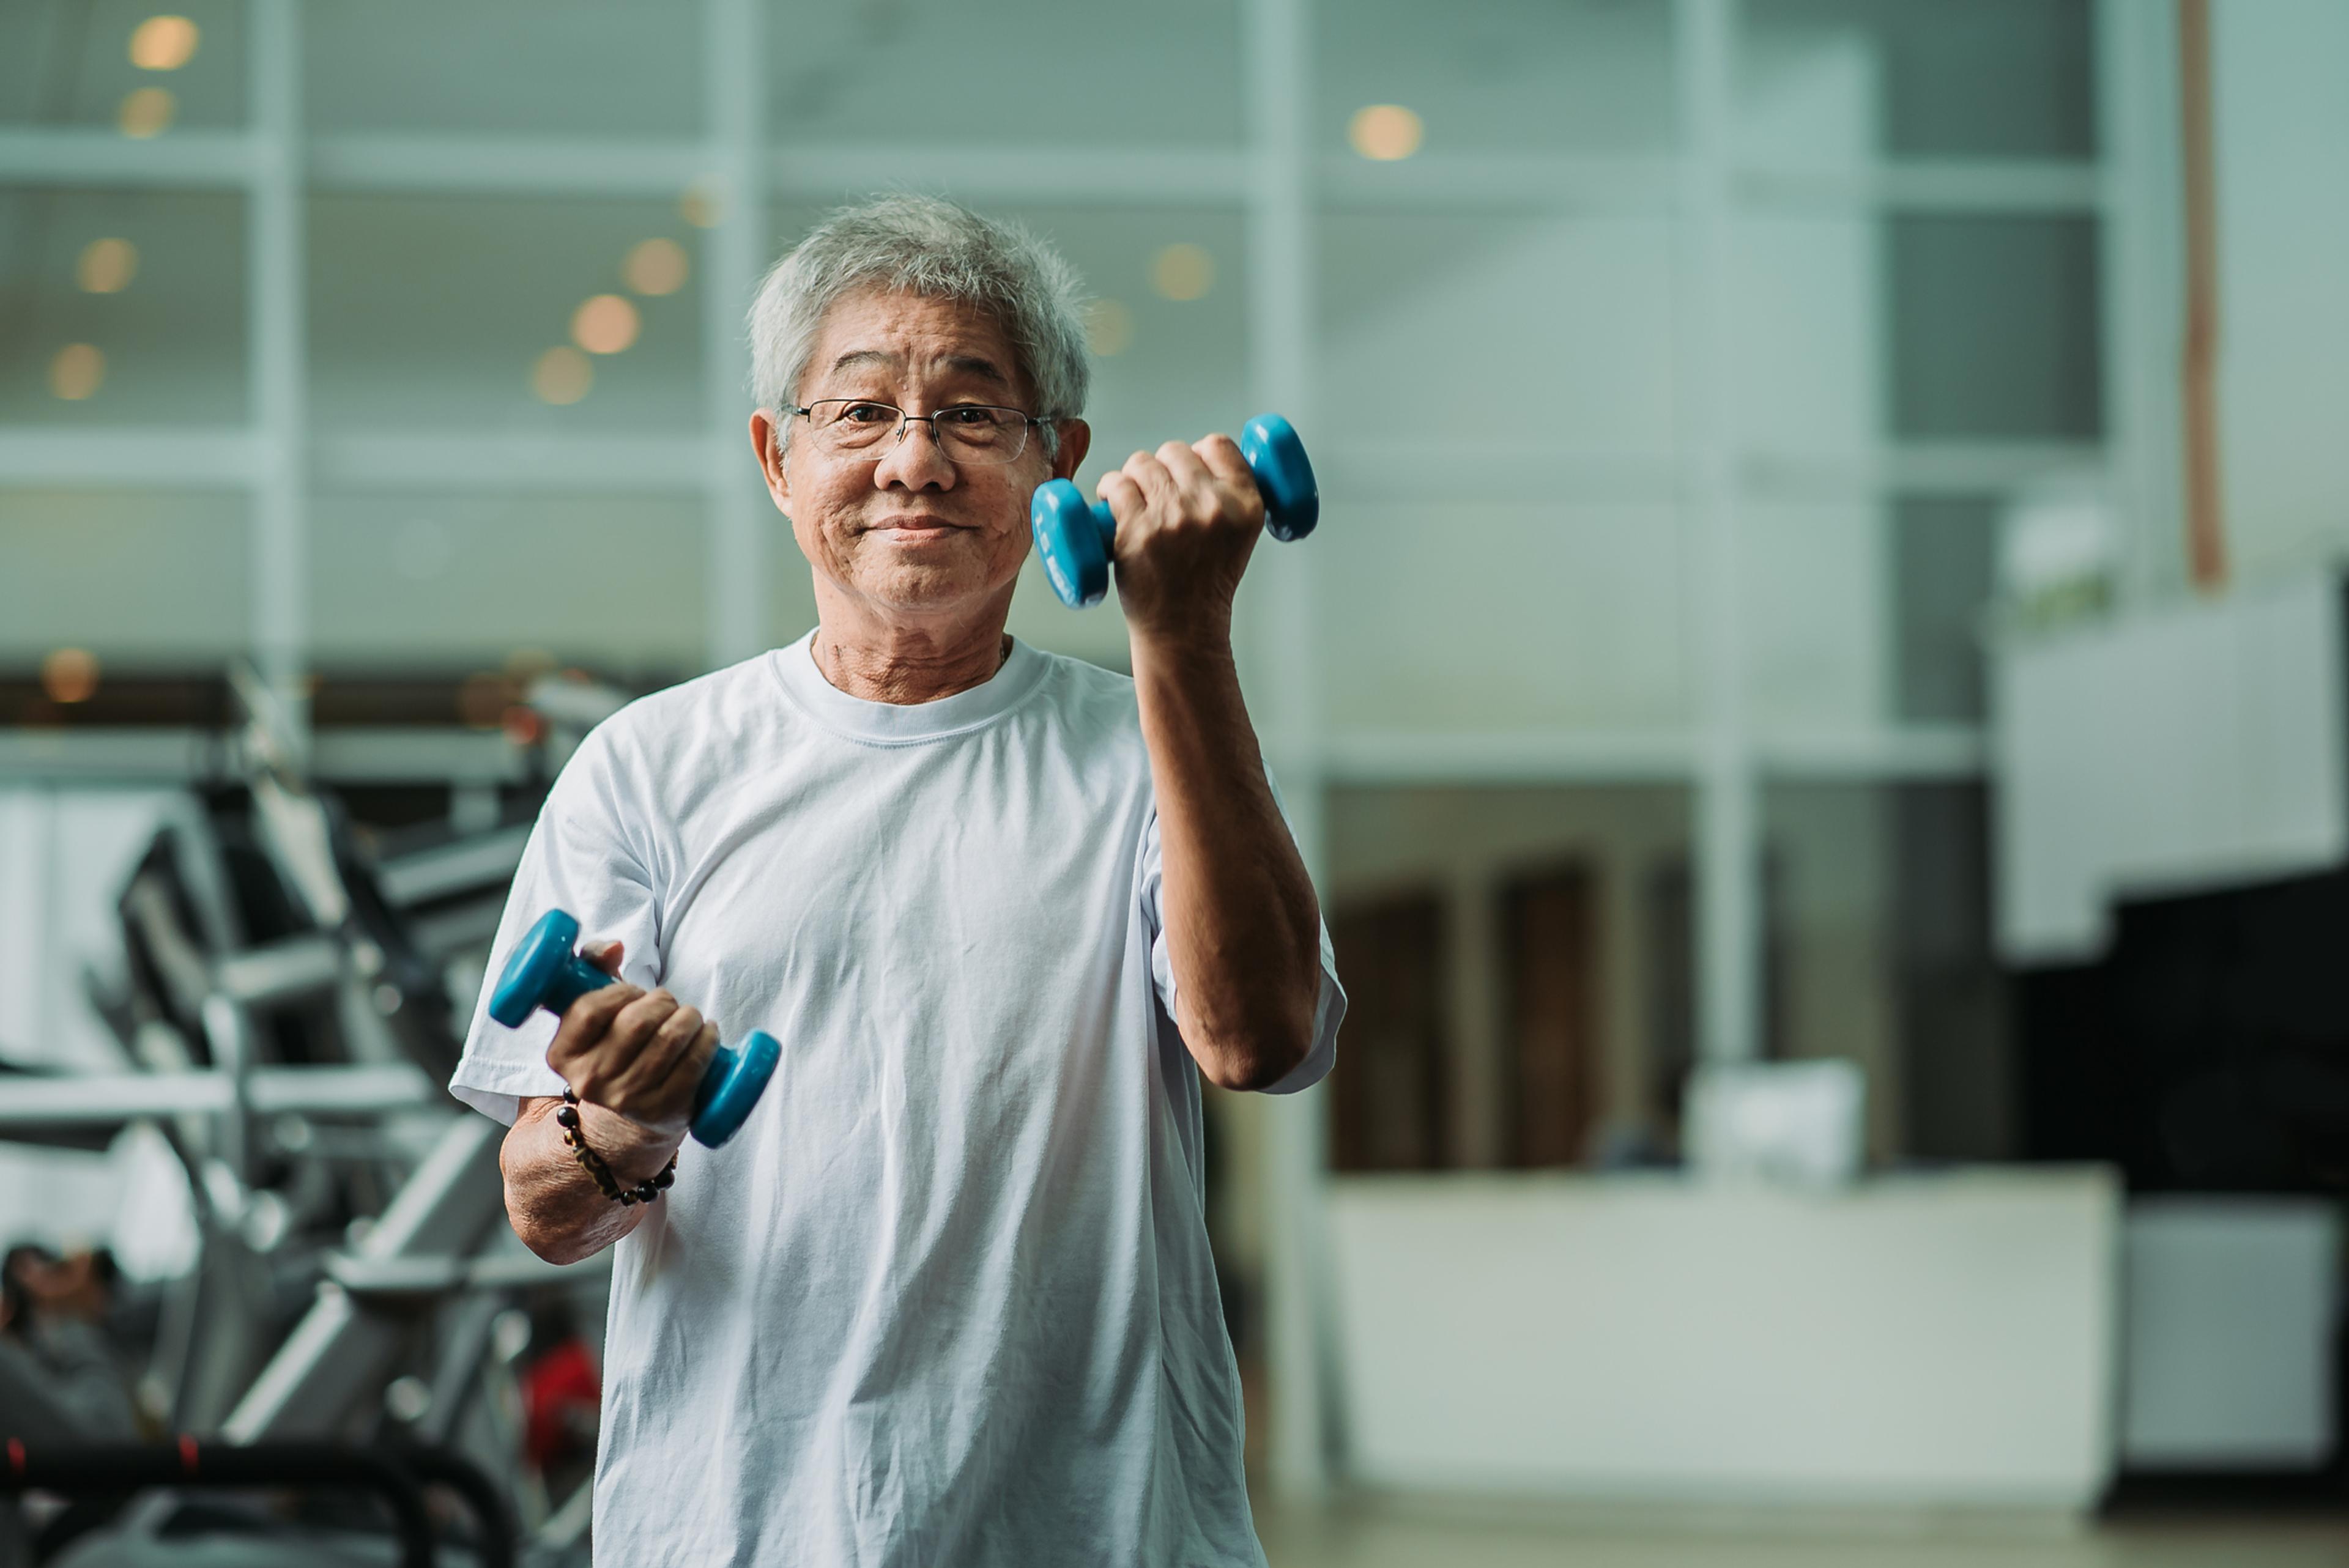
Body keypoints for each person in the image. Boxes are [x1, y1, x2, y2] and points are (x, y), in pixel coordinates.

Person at [450, 194, 1343, 1565]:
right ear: (776, 458)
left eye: (975, 415)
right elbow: (540, 1205)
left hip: (1099, 1534)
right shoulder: (651, 766)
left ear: (1063, 463)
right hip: (735, 1531)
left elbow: (1260, 1040)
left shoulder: (1149, 742)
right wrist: (625, 1129)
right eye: (859, 413)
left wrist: (1185, 640)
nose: (914, 460)